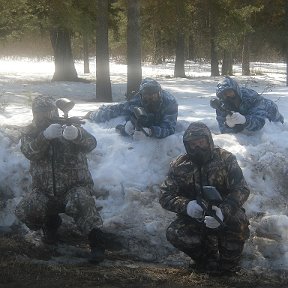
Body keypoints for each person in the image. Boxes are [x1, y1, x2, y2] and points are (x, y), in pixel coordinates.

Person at [15, 95, 105, 264]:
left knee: (82, 201)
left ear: (54, 110)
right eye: (40, 113)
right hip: (44, 191)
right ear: (34, 113)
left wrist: (77, 135)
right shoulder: (30, 132)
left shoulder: (69, 125)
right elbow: (29, 152)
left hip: (74, 188)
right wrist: (44, 137)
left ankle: (97, 243)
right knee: (25, 209)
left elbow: (91, 144)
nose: (44, 116)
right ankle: (51, 224)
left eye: (48, 112)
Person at [159, 122, 250, 275]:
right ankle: (206, 261)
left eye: (201, 142)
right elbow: (165, 195)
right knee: (175, 232)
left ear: (209, 140)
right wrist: (187, 206)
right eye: (193, 144)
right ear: (187, 145)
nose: (197, 147)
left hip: (224, 214)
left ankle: (229, 265)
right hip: (196, 216)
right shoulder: (178, 165)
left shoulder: (226, 159)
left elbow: (242, 189)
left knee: (238, 222)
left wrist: (223, 211)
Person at [85, 78, 178, 140]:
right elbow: (117, 109)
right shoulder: (138, 100)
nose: (150, 99)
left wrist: (151, 131)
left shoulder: (170, 102)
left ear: (159, 94)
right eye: (147, 96)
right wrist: (93, 115)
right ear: (141, 95)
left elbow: (169, 128)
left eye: (153, 96)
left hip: (158, 120)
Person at [214, 76, 284, 133]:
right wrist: (229, 125)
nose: (228, 96)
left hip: (270, 112)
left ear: (236, 89)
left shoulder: (251, 97)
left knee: (278, 126)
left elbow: (259, 122)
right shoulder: (222, 105)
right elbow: (223, 129)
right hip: (249, 117)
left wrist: (245, 120)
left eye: (229, 91)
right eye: (224, 94)